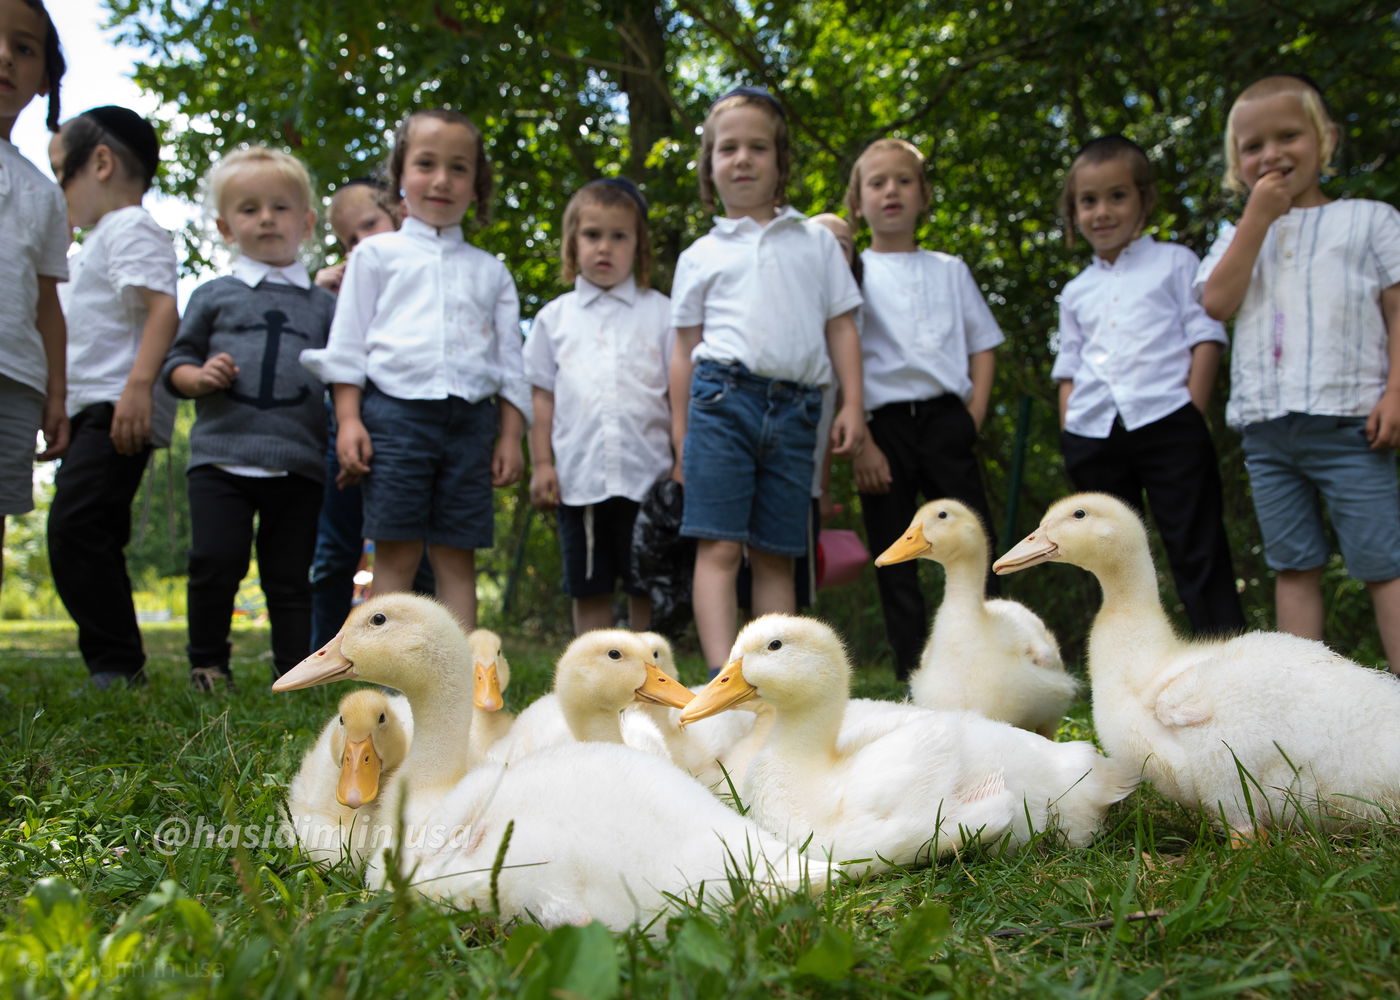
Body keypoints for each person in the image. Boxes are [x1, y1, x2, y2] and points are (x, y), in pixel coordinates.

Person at [1198, 74, 1400, 672]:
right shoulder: (1238, 235)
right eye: (1253, 146)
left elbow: (1395, 308)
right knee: (1293, 563)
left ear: (1326, 139)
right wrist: (1257, 219)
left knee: (1383, 561)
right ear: (1236, 162)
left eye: (1288, 136)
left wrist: (1395, 391)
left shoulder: (1370, 220)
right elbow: (1217, 302)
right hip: (1268, 433)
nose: (1272, 154)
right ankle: (1309, 706)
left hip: (1351, 423)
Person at [300, 108, 529, 629]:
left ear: (477, 184)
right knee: (396, 552)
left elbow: (510, 364)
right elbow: (348, 345)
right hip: (395, 419)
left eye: (459, 168)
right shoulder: (376, 255)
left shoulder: (490, 271)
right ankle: (385, 687)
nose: (442, 180)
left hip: (471, 424)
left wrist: (510, 436)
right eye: (426, 164)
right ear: (401, 174)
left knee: (456, 555)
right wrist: (350, 420)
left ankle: (464, 693)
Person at [669, 86, 865, 675]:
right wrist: (681, 434)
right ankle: (721, 676)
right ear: (709, 166)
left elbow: (842, 329)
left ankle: (774, 680)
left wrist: (852, 404)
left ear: (781, 163)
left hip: (799, 410)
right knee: (720, 544)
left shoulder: (815, 243)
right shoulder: (701, 253)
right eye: (728, 148)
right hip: (720, 404)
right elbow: (682, 350)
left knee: (777, 553)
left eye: (758, 147)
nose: (743, 159)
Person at [1053, 134, 1243, 637]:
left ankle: (1224, 654)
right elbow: (1069, 366)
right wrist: (1070, 427)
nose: (1102, 212)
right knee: (1111, 556)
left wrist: (1191, 411)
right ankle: (1134, 660)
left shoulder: (1177, 263)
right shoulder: (1076, 291)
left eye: (1117, 196)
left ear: (1144, 199)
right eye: (1088, 201)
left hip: (1168, 422)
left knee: (1195, 544)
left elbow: (1206, 335)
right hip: (1093, 434)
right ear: (1073, 211)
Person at [162, 146, 334, 690]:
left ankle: (292, 671)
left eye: (280, 207)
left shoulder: (326, 307)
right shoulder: (214, 295)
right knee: (214, 562)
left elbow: (346, 373)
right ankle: (208, 665)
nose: (266, 218)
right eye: (250, 208)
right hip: (221, 456)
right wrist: (198, 377)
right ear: (225, 225)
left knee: (289, 576)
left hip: (299, 462)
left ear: (305, 222)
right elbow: (176, 362)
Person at [843, 137, 1002, 680]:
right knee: (897, 556)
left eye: (903, 181)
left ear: (924, 195)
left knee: (973, 543)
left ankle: (993, 665)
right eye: (877, 183)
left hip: (945, 421)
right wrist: (861, 439)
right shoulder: (850, 274)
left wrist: (972, 416)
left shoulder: (949, 269)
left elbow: (983, 344)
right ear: (857, 202)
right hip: (881, 430)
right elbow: (840, 356)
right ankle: (916, 676)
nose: (891, 192)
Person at [46, 106, 179, 689]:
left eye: (60, 174)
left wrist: (137, 390)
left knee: (77, 529)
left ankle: (118, 665)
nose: (57, 192)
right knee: (88, 530)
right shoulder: (94, 244)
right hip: (94, 409)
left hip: (119, 408)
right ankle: (115, 663)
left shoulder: (128, 227)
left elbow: (161, 309)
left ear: (99, 162)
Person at [525, 177, 671, 634]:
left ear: (639, 246)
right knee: (589, 585)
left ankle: (651, 678)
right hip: (579, 478)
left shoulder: (663, 313)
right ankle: (591, 680)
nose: (604, 247)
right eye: (592, 235)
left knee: (645, 582)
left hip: (649, 476)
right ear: (572, 244)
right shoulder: (554, 319)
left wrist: (684, 464)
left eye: (618, 236)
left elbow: (677, 394)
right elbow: (541, 396)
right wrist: (542, 463)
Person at [305, 178, 433, 649]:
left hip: (411, 431)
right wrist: (317, 292)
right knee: (336, 548)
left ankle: (416, 653)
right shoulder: (335, 289)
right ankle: (324, 649)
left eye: (369, 228)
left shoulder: (423, 276)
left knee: (414, 552)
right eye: (348, 241)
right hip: (347, 431)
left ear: (400, 214)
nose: (359, 247)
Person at [0, 0, 68, 593]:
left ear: (44, 77)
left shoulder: (43, 194)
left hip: (13, 376)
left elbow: (48, 301)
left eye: (23, 48)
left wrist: (57, 392)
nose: (4, 57)